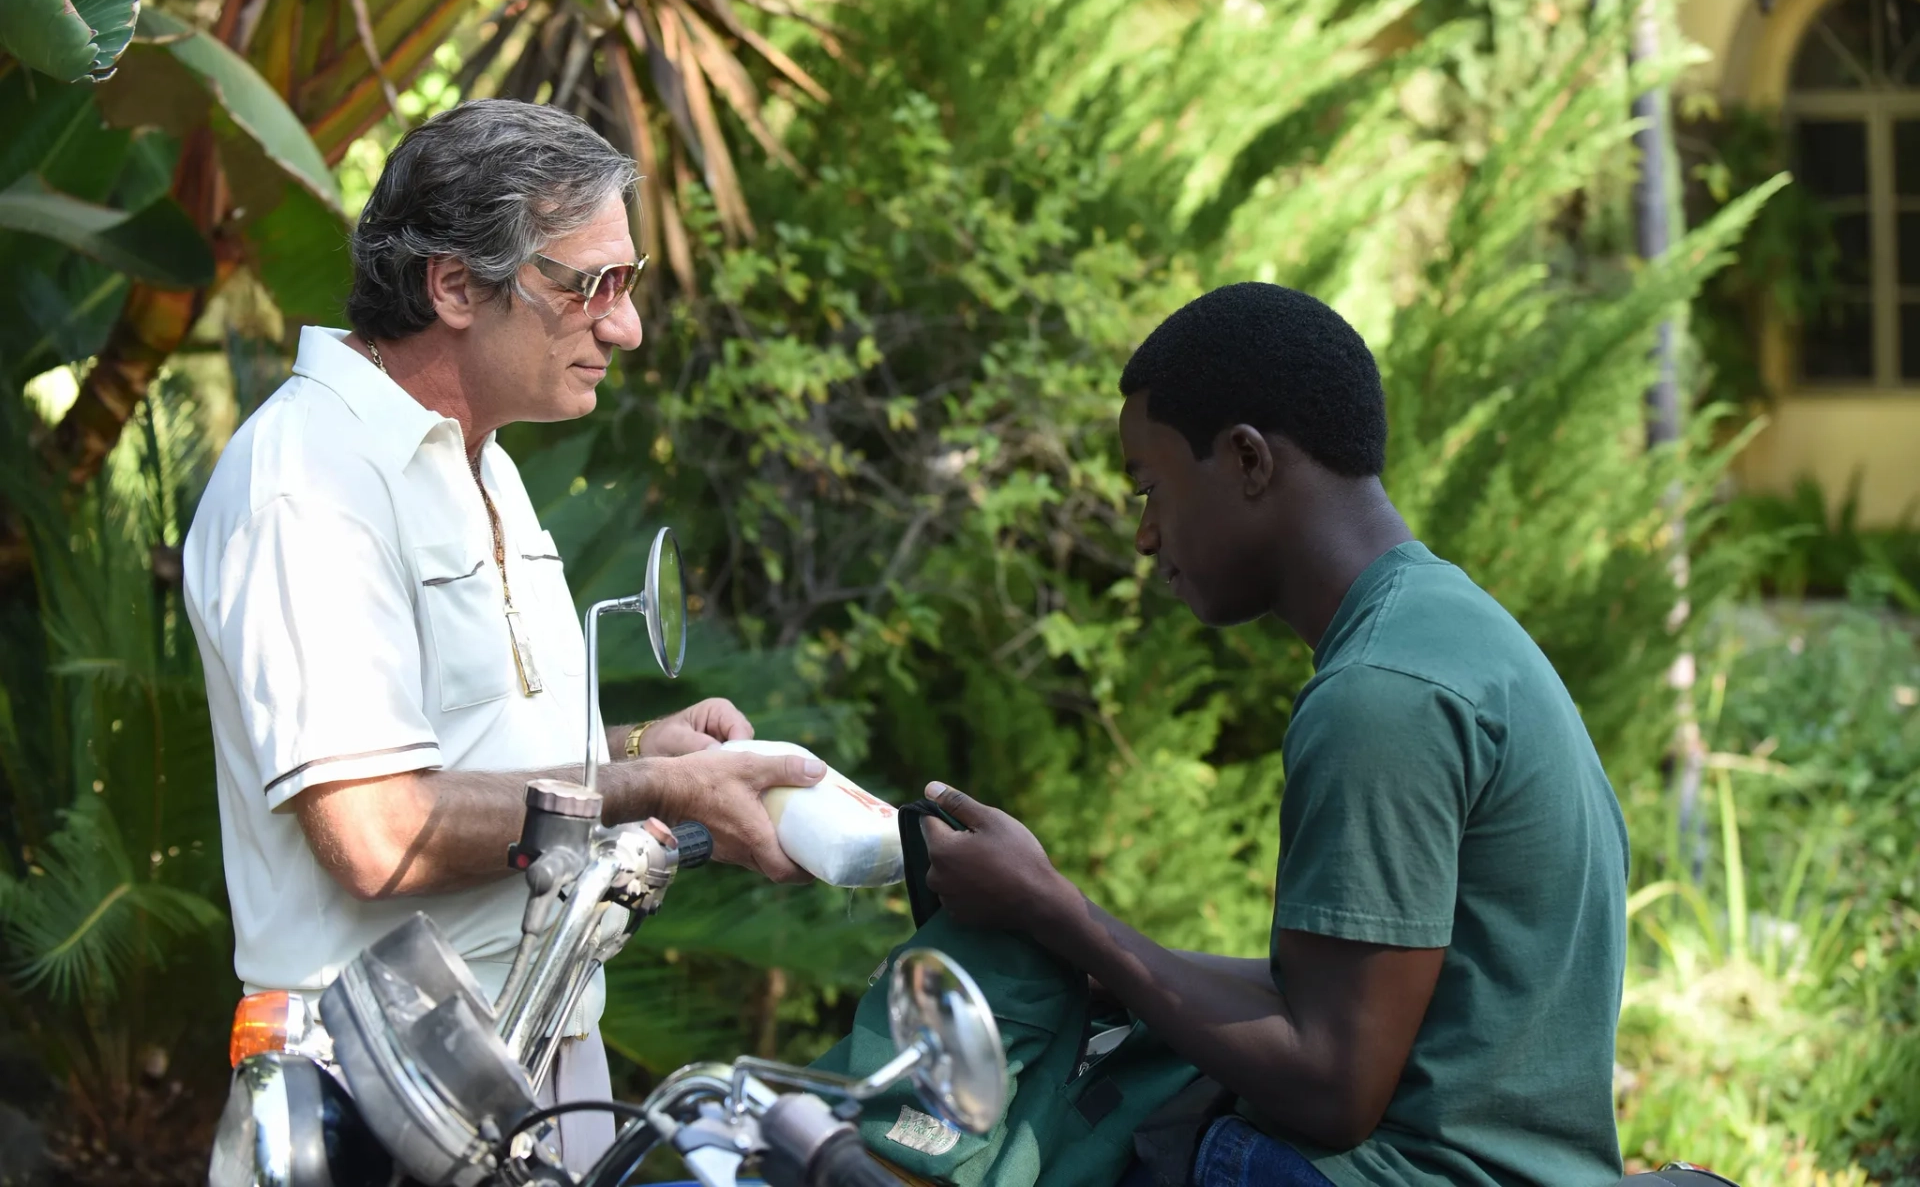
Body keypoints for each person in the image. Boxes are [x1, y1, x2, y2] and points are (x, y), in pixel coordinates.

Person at [182, 99, 821, 1172]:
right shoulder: (309, 479)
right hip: (371, 1102)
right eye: (589, 286)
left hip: (522, 1067)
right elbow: (379, 830)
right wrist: (653, 791)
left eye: (628, 282)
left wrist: (632, 748)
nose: (624, 327)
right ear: (452, 285)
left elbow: (462, 753)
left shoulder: (487, 461)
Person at [917, 283, 1631, 1186]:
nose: (1145, 537)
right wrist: (1088, 950)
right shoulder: (1448, 628)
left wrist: (1057, 911)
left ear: (1249, 460)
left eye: (1151, 488)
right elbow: (1343, 1001)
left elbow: (1330, 1087)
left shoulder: (1378, 698)